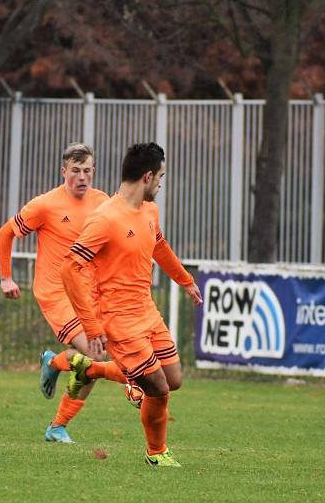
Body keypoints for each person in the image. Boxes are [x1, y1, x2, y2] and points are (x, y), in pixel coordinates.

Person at [59, 142, 202, 467]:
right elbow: (70, 267)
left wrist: (185, 280)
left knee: (174, 379)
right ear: (148, 177)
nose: (162, 184)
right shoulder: (105, 218)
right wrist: (92, 325)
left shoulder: (149, 210)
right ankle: (157, 453)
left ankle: (87, 367)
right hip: (118, 319)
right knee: (158, 389)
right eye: (161, 177)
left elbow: (159, 245)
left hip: (147, 312)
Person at [0, 142, 137, 444]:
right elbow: (6, 232)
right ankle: (57, 367)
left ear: (94, 172)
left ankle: (58, 421)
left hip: (89, 293)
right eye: (75, 171)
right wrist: (5, 277)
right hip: (55, 290)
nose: (82, 177)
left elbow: (119, 236)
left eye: (87, 170)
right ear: (64, 172)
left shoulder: (103, 202)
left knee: (94, 362)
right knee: (92, 352)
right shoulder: (45, 205)